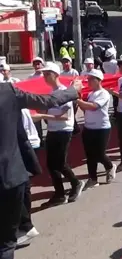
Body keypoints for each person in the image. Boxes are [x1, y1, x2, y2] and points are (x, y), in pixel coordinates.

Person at [0, 78, 82, 259]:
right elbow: (45, 100)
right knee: (5, 244)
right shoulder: (7, 91)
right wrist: (73, 90)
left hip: (10, 176)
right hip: (9, 176)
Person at [31, 63, 85, 207]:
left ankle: (76, 183)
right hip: (52, 131)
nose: (44, 77)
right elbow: (49, 112)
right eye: (43, 74)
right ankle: (59, 194)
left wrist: (43, 115)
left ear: (55, 74)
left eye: (47, 74)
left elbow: (65, 116)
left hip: (63, 130)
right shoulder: (51, 93)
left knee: (60, 163)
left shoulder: (64, 92)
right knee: (51, 164)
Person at [76, 69, 115, 189]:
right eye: (88, 79)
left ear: (98, 80)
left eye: (91, 79)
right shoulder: (91, 94)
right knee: (90, 156)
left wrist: (77, 100)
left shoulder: (104, 94)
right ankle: (93, 179)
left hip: (101, 128)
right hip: (88, 127)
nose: (89, 81)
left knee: (99, 154)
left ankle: (109, 166)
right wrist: (80, 103)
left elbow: (94, 107)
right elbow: (86, 109)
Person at [15, 109, 41, 249]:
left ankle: (25, 226)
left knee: (16, 189)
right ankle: (25, 225)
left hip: (23, 147)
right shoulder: (16, 104)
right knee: (22, 187)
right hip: (24, 146)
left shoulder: (10, 105)